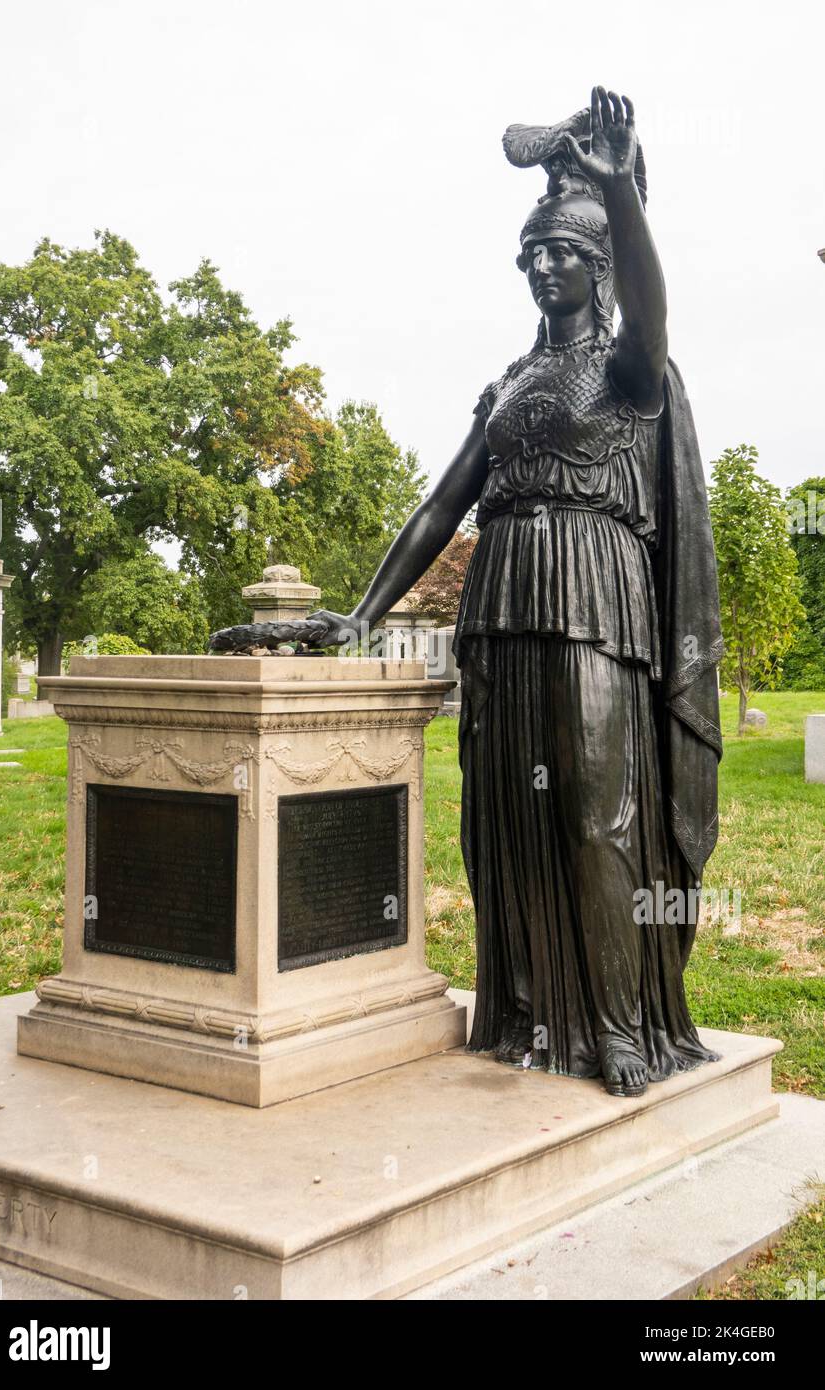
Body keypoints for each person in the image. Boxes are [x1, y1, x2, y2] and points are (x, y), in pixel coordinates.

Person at [308, 88, 724, 1099]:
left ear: (598, 268)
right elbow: (439, 505)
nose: (543, 267)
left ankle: (620, 1026)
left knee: (595, 816)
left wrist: (622, 189)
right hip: (498, 610)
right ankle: (530, 1012)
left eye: (563, 255)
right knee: (510, 821)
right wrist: (362, 614)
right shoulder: (503, 386)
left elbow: (654, 306)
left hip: (594, 600)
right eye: (530, 255)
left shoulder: (629, 371)